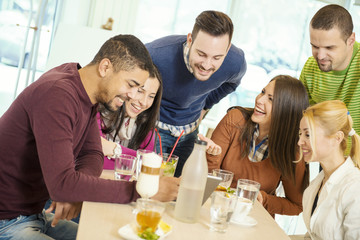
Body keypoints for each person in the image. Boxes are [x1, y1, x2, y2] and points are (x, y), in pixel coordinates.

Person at [0, 35, 179, 240]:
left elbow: (93, 153)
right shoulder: (58, 94)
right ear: (105, 67)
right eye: (131, 84)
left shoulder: (84, 91)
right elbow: (63, 184)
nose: (132, 95)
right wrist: (143, 192)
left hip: (34, 216)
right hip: (7, 220)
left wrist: (75, 192)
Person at [146, 10, 247, 177]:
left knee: (182, 188)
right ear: (190, 40)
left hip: (189, 131)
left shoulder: (235, 62)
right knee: (151, 185)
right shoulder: (156, 54)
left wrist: (205, 107)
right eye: (201, 54)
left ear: (228, 48)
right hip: (153, 128)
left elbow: (232, 83)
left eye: (216, 57)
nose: (207, 65)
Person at [206, 75, 309, 216]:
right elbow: (208, 178)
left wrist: (264, 199)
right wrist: (211, 156)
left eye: (271, 99)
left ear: (286, 110)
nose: (259, 100)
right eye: (262, 92)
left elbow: (297, 205)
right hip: (217, 209)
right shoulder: (235, 119)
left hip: (253, 219)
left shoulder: (292, 151)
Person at [298, 100, 360, 239]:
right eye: (300, 133)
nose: (300, 142)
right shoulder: (316, 184)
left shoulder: (355, 188)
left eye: (308, 135)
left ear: (337, 138)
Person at [300, 4, 360, 139]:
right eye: (315, 46)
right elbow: (303, 120)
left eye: (329, 48)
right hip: (322, 157)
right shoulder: (310, 68)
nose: (320, 56)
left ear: (351, 40)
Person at [97, 65, 162, 169]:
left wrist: (115, 149)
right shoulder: (97, 113)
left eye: (151, 96)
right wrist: (135, 160)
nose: (144, 102)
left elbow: (149, 165)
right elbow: (97, 162)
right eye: (140, 91)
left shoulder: (145, 125)